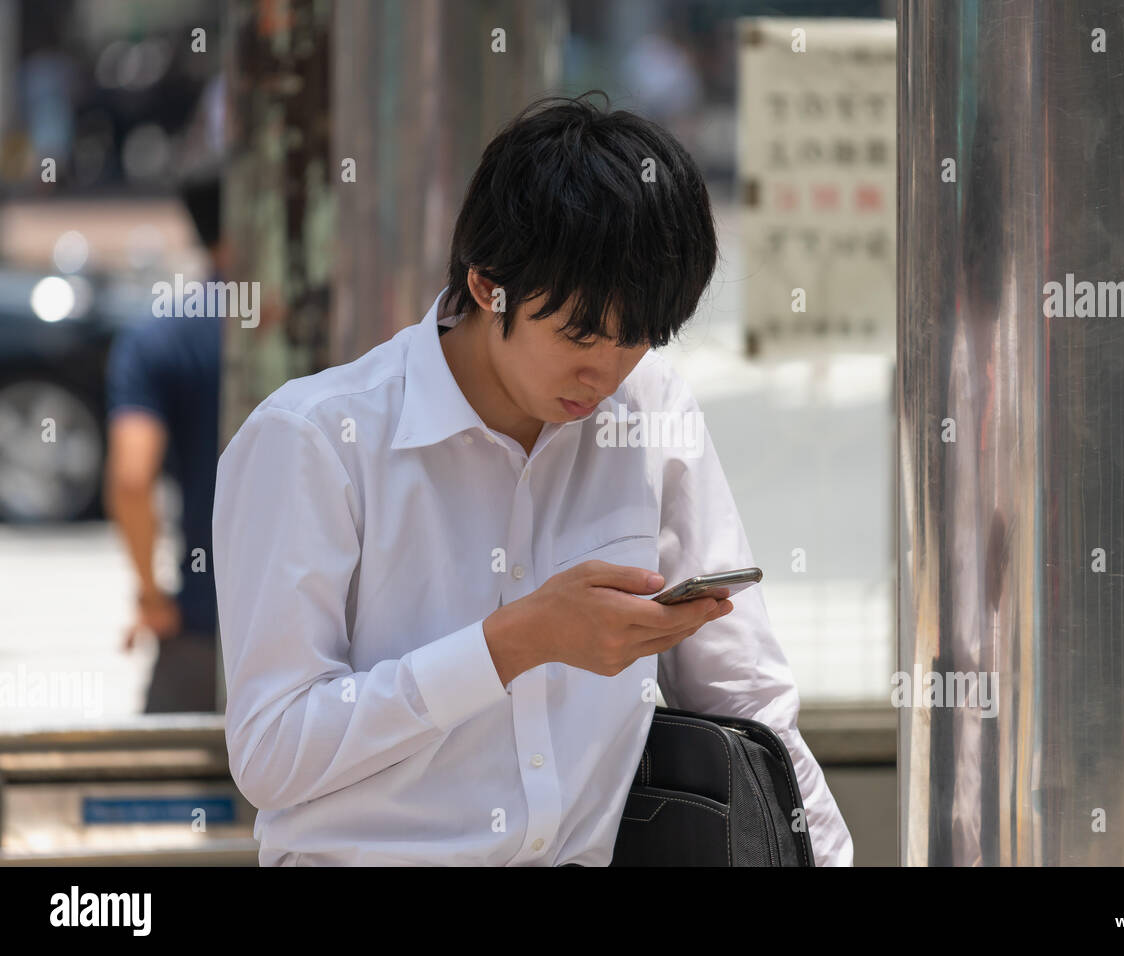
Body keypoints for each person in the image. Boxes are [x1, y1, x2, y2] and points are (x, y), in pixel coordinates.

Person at [213, 92, 854, 866]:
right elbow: (272, 752)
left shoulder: (648, 409)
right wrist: (513, 643)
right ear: (489, 285)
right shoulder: (313, 440)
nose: (606, 369)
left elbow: (744, 695)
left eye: (638, 338)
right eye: (580, 333)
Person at [105, 176, 223, 713]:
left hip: (201, 624)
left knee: (170, 789)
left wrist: (153, 598)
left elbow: (132, 479)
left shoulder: (161, 336)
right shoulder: (331, 324)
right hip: (329, 635)